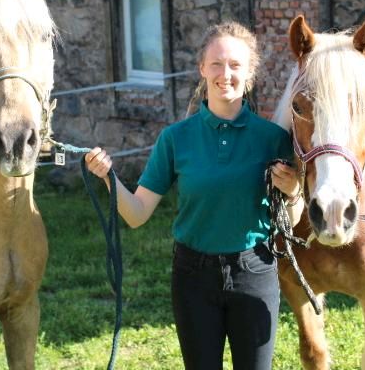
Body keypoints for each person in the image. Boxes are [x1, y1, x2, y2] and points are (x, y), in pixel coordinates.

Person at [85, 21, 301, 370]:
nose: (225, 74)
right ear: (202, 68)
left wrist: (292, 193)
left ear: (249, 73)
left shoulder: (273, 139)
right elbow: (137, 213)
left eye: (235, 65)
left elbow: (290, 223)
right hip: (192, 278)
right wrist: (109, 177)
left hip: (254, 272)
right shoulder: (175, 138)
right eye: (216, 63)